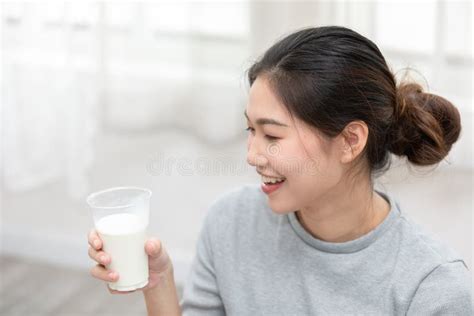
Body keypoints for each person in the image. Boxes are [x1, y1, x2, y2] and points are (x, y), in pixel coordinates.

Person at [87, 26, 472, 315]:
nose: (252, 155)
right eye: (250, 130)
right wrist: (158, 284)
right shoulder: (231, 222)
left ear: (350, 141)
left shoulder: (432, 287)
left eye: (271, 135)